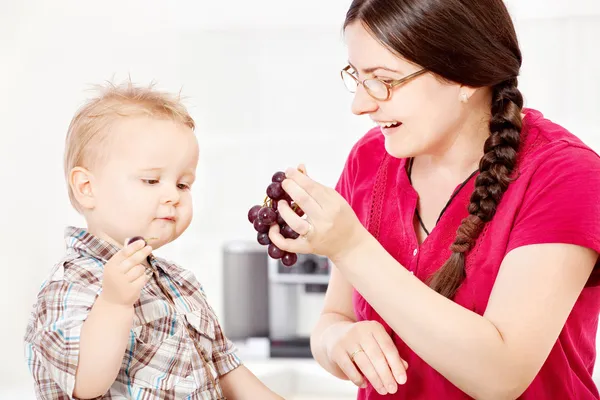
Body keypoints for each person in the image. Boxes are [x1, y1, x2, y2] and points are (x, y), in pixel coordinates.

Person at [268, 0, 600, 398]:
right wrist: (339, 340)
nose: (360, 104)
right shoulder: (370, 158)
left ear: (466, 76)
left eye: (384, 80)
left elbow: (502, 376)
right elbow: (332, 318)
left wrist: (351, 247)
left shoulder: (565, 175)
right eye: (356, 76)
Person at [23, 81, 283, 400]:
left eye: (183, 184)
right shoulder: (69, 286)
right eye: (151, 180)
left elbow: (226, 370)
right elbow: (85, 383)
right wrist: (114, 303)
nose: (172, 195)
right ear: (87, 187)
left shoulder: (182, 284)